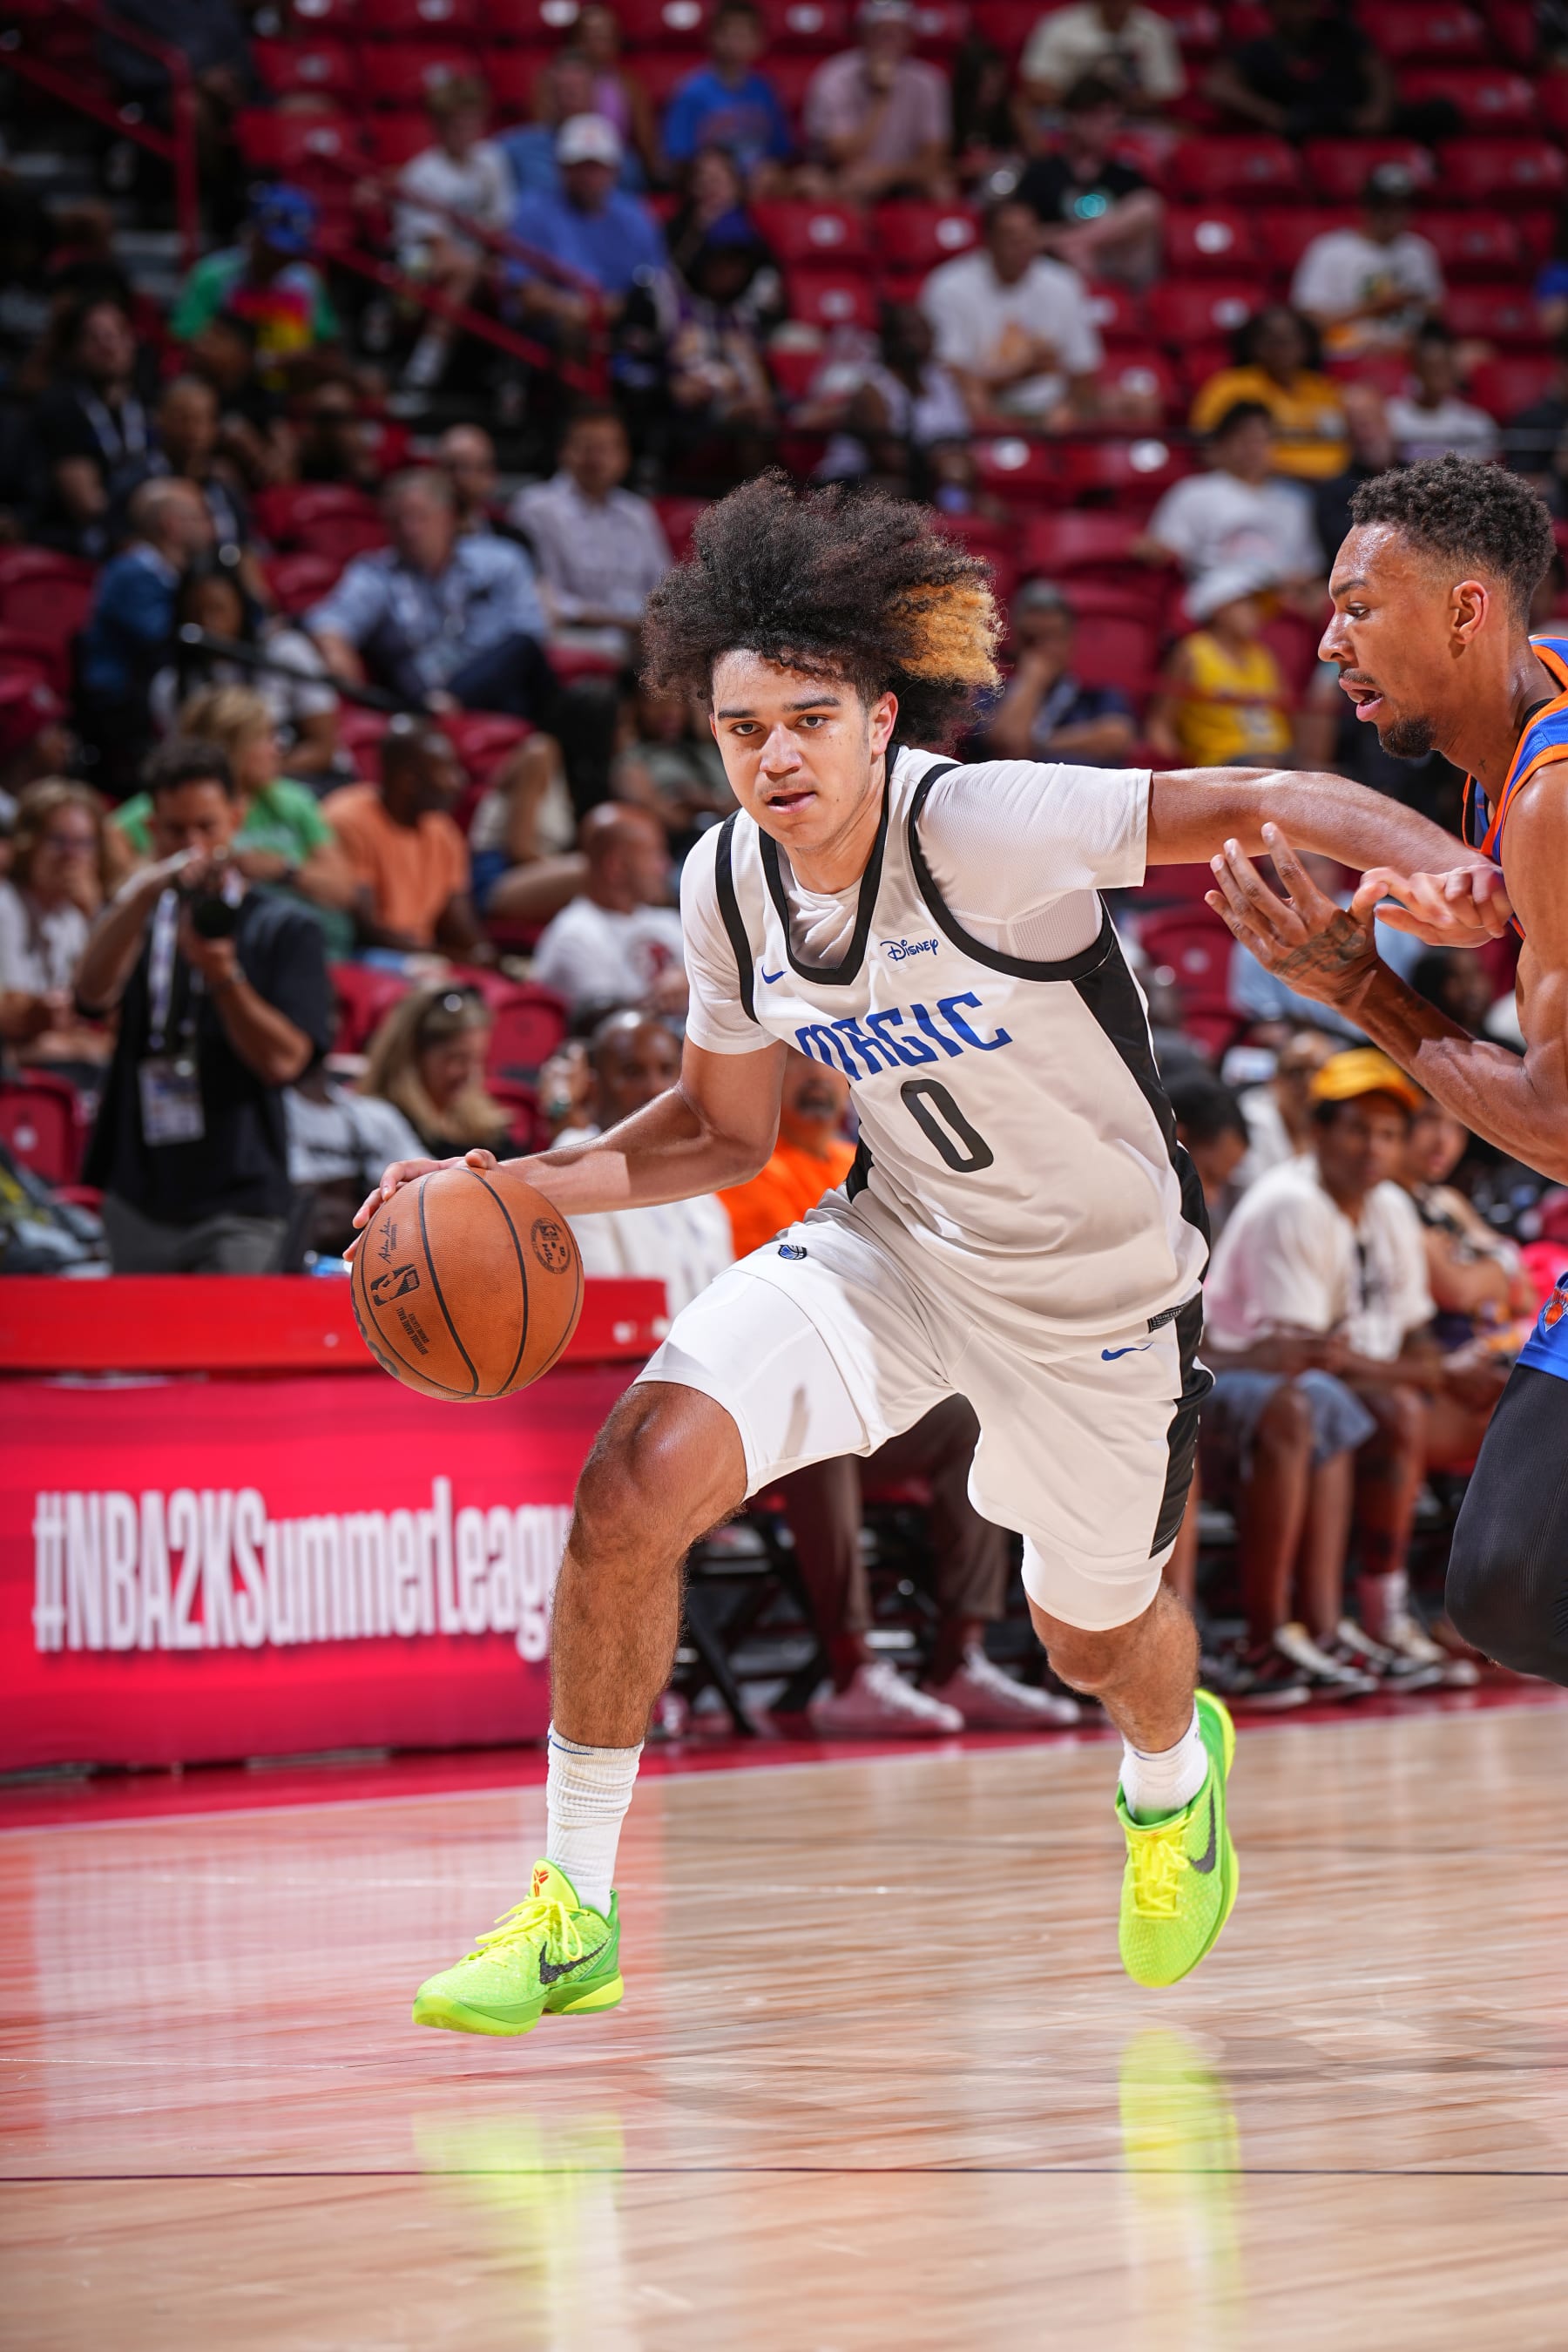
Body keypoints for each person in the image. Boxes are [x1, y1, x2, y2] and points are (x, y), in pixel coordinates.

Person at [355, 473, 1507, 2027]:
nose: (776, 756)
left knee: (1088, 1633)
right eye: (744, 727)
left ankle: (1173, 1780)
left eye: (810, 720)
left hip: (1101, 1300)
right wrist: (518, 1189)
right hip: (897, 1249)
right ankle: (573, 1909)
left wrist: (1432, 870)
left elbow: (1252, 797)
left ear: (883, 719)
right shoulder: (725, 882)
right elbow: (716, 1130)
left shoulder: (982, 823)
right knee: (633, 1478)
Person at [1204, 453, 1568, 1683]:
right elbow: (1293, 795)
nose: (1324, 645)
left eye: (1360, 610)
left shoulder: (1550, 798)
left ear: (1468, 612)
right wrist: (1468, 883)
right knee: (1515, 1590)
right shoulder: (1527, 718)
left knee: (1520, 1587)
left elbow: (1564, 1132)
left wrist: (1359, 986)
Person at [1202, 1049, 1499, 1687]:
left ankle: (1386, 1617)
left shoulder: (1390, 1206)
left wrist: (1436, 1367)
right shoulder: (1292, 1204)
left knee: (1478, 1412)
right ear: (1318, 1133)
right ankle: (1303, 1627)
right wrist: (1435, 1373)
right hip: (1234, 1375)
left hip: (1338, 1382)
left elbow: (1413, 1332)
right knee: (1354, 1406)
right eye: (1358, 1129)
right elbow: (1313, 1358)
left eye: (1389, 1134)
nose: (1374, 1147)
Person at [76, 739, 332, 1273]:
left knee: (228, 1353)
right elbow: (90, 994)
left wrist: (222, 975)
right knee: (136, 1355)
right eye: (173, 831)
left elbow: (285, 1061)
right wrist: (141, 895)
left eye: (206, 827)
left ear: (236, 818)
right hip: (139, 1187)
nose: (191, 847)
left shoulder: (285, 926)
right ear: (151, 828)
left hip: (239, 1195)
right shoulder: (139, 911)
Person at [1166, 1068, 1372, 1708]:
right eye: (1214, 1171)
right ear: (1176, 1136)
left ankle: (1291, 1630)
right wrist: (1255, 1353)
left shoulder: (1202, 1203)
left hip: (1198, 1377)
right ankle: (1178, 1650)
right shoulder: (1129, 1201)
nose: (1219, 1187)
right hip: (1147, 1386)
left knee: (1313, 1404)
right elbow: (1157, 1342)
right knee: (1237, 1411)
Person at [305, 470, 556, 724]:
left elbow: (531, 632)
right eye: (396, 520)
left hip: (497, 682)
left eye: (419, 517)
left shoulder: (500, 560)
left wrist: (461, 693)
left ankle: (454, 701)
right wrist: (335, 649)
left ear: (448, 518)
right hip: (422, 694)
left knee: (526, 652)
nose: (409, 530)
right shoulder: (376, 575)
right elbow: (330, 622)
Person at [114, 685, 355, 943]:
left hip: (319, 947)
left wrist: (282, 870)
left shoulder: (292, 801)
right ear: (232, 747)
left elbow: (344, 891)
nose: (278, 748)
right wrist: (165, 867)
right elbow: (115, 889)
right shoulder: (162, 806)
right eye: (266, 737)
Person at [554, 1008, 734, 1311]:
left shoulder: (693, 1168)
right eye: (633, 1072)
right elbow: (604, 1312)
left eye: (666, 1071)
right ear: (594, 1088)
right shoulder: (575, 1162)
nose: (654, 1088)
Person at [148, 560, 343, 781]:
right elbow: (184, 765)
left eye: (218, 609)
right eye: (194, 612)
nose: (207, 623)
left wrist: (258, 775)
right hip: (225, 797)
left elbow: (323, 748)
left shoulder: (285, 651)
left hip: (302, 781)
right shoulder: (170, 685)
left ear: (241, 606)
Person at [509, 406, 672, 664]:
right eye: (587, 448)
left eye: (607, 449)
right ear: (563, 452)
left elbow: (666, 587)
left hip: (640, 635)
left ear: (625, 457)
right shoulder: (537, 508)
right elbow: (545, 599)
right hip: (572, 634)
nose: (597, 459)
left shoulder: (638, 512)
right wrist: (624, 622)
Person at [920, 197, 1102, 429]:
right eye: (1011, 238)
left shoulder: (1064, 283)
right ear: (989, 241)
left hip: (1051, 410)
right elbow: (952, 377)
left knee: (1135, 403)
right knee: (971, 398)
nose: (1022, 246)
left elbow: (1082, 370)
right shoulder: (949, 285)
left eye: (1029, 236)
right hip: (985, 408)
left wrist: (1070, 408)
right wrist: (1024, 371)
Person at [78, 477, 214, 784]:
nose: (211, 528)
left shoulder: (174, 574)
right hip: (125, 713)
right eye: (200, 517)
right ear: (172, 525)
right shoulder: (131, 573)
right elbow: (163, 641)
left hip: (156, 698)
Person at [322, 718, 490, 961]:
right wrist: (445, 959)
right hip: (365, 955)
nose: (459, 781)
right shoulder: (347, 818)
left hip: (421, 955)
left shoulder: (442, 829)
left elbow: (458, 919)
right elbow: (366, 927)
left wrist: (485, 956)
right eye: (446, 770)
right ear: (408, 780)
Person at [1137, 402, 1325, 612]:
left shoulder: (1294, 500)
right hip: (1218, 598)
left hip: (1281, 601)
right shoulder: (1193, 492)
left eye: (1261, 440)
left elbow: (1307, 569)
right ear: (1223, 444)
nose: (1253, 449)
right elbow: (1167, 550)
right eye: (1243, 440)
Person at [395, 76, 514, 396]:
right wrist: (480, 264)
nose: (465, 131)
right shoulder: (422, 172)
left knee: (513, 276)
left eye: (472, 122)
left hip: (474, 256)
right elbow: (435, 242)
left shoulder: (492, 162)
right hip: (417, 261)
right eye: (456, 123)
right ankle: (423, 369)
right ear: (438, 126)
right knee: (463, 271)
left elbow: (500, 225)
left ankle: (507, 379)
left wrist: (490, 261)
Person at [509, 116, 669, 341]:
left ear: (614, 170)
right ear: (561, 169)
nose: (587, 177)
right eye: (578, 167)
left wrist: (612, 308)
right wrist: (570, 308)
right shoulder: (533, 211)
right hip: (553, 332)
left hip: (622, 325)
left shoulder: (636, 217)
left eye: (596, 168)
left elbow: (656, 286)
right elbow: (524, 289)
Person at [170, 185, 341, 389]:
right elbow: (185, 338)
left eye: (292, 252)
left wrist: (286, 361)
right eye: (274, 248)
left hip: (290, 393)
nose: (281, 259)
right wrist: (253, 361)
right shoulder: (213, 275)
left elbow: (328, 349)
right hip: (223, 390)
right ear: (255, 234)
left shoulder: (307, 282)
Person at [0, 779, 114, 1078]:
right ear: (28, 842)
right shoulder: (6, 905)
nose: (72, 856)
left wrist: (95, 916)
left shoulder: (73, 916)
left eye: (84, 843)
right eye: (58, 841)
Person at [529, 803, 686, 1020]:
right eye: (654, 854)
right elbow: (609, 1029)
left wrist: (690, 980)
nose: (665, 866)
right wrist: (693, 987)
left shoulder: (667, 921)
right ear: (617, 867)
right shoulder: (575, 936)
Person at [27, 294, 149, 559]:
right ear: (76, 350)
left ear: (132, 341)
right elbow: (86, 504)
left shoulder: (149, 402)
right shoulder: (61, 405)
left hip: (146, 528)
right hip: (76, 539)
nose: (108, 346)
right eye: (94, 338)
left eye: (116, 334)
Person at [1014, 75, 1163, 290]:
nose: (1106, 125)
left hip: (1113, 265)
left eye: (1112, 116)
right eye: (1096, 116)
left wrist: (1080, 240)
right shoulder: (1042, 173)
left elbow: (1146, 215)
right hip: (1057, 269)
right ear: (1072, 118)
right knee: (1073, 255)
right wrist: (1064, 242)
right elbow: (1022, 230)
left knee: (1147, 205)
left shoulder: (1124, 174)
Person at [1289, 165, 1444, 362]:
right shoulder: (1330, 250)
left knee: (1474, 354)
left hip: (1409, 351)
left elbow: (1435, 311)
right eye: (1382, 206)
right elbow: (1309, 323)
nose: (1391, 215)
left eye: (1400, 206)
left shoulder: (1419, 251)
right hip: (1347, 350)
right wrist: (1375, 308)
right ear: (1364, 207)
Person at [804, 0, 952, 205]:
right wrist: (881, 98)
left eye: (897, 33)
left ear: (910, 38)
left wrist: (884, 174)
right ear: (862, 36)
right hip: (844, 174)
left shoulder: (929, 81)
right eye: (881, 32)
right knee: (843, 185)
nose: (888, 41)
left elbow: (933, 158)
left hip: (903, 174)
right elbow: (842, 154)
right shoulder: (834, 76)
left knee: (942, 187)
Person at [1145, 567, 1292, 770]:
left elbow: (1287, 712)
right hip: (1222, 765)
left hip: (1276, 758)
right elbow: (1160, 723)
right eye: (1246, 603)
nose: (1256, 612)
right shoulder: (1191, 652)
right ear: (1218, 609)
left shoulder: (1264, 655)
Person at [979, 579, 1135, 766]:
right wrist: (1032, 682)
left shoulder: (1096, 693)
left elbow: (1115, 738)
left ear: (1070, 640)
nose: (1043, 648)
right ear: (1015, 642)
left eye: (1053, 636)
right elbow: (1009, 745)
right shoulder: (989, 693)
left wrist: (1037, 743)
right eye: (1032, 639)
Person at [1189, 307, 1349, 485]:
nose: (1282, 345)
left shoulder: (1325, 388)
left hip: (1336, 486)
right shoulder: (1229, 387)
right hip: (1264, 484)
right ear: (1254, 344)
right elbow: (1207, 449)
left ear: (1307, 345)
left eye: (1292, 338)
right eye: (1272, 338)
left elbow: (1347, 443)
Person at [360, 984, 512, 1162]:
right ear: (413, 1055)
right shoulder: (384, 1123)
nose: (471, 1074)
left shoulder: (485, 1127)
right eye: (457, 1059)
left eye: (477, 1060)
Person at [662, 1, 794, 191]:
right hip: (712, 187)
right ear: (712, 37)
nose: (736, 41)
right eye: (730, 33)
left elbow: (779, 152)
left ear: (759, 41)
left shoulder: (765, 90)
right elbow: (680, 158)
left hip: (760, 185)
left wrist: (771, 172)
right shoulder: (692, 92)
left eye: (745, 34)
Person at [1017, 0, 1183, 118]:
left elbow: (1168, 92)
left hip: (1134, 119)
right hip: (1069, 117)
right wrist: (1086, 103)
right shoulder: (1058, 26)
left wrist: (1118, 104)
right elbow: (1034, 86)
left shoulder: (1156, 30)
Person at [1384, 326, 1499, 467]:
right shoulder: (1390, 415)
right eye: (1430, 368)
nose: (1437, 377)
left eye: (1443, 368)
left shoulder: (1475, 422)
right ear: (1416, 370)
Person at [436, 424, 503, 538]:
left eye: (467, 468)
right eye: (451, 467)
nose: (459, 478)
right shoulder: (413, 531)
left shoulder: (504, 527)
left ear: (490, 474)